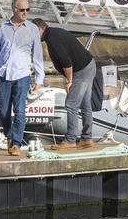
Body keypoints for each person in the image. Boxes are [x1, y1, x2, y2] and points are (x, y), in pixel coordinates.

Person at [0, 0, 45, 156]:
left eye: (27, 10)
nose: (25, 13)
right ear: (13, 9)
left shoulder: (32, 28)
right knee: (3, 110)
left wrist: (39, 78)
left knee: (19, 111)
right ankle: (9, 135)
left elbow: (37, 54)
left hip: (22, 75)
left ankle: (16, 143)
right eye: (22, 10)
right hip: (4, 74)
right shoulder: (2, 27)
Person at [35, 16, 98, 149]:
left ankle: (70, 140)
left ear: (40, 28)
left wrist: (69, 81)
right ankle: (87, 138)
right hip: (89, 65)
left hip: (81, 70)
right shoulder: (55, 32)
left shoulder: (52, 39)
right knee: (85, 104)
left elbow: (66, 61)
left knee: (71, 105)